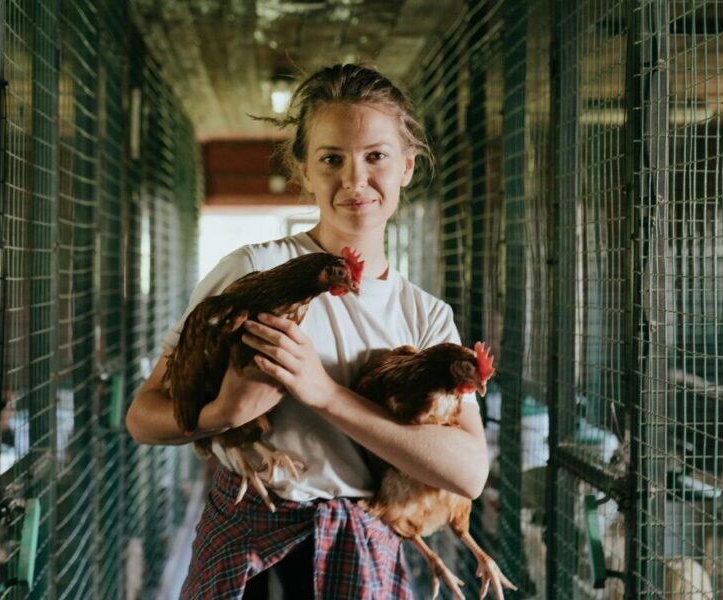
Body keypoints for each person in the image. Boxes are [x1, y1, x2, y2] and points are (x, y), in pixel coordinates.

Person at [125, 63, 490, 600]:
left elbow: (469, 471)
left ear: (408, 167)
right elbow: (143, 416)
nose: (354, 179)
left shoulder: (427, 316)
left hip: (362, 540)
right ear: (303, 170)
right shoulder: (253, 271)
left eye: (376, 157)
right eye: (331, 159)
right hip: (250, 534)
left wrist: (324, 394)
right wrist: (220, 416)